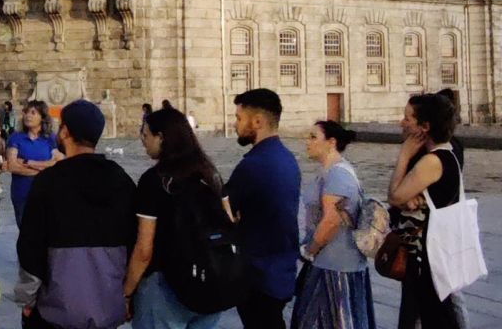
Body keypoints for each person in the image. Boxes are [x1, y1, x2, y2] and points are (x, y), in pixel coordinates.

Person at [16, 99, 136, 329]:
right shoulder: (120, 180)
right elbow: (135, 241)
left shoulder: (48, 181)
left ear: (65, 131)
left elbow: (31, 247)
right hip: (106, 308)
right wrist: (128, 295)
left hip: (56, 310)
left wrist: (27, 299)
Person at [124, 107, 227, 329]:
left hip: (165, 288)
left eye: (145, 135)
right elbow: (229, 221)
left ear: (161, 137)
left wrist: (127, 291)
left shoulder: (154, 181)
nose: (143, 141)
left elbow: (144, 249)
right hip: (211, 282)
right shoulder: (211, 174)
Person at [224, 89, 301, 329]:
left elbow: (223, 209)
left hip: (258, 275)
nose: (235, 124)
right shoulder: (287, 159)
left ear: (257, 121)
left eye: (239, 118)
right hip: (281, 270)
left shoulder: (254, 165)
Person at [388, 93, 465, 329]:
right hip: (430, 254)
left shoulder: (433, 161)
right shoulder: (444, 155)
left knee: (435, 316)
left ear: (425, 127)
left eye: (408, 118)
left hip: (429, 256)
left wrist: (404, 155)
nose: (402, 122)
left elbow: (394, 196)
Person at [291, 121, 376, 329]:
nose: (307, 142)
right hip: (329, 262)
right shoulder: (330, 172)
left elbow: (331, 221)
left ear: (331, 142)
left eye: (313, 137)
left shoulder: (338, 175)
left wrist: (310, 250)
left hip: (335, 265)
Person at [6, 100, 63, 227]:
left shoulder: (50, 138)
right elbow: (12, 166)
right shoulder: (15, 138)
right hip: (22, 193)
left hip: (45, 193)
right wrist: (43, 169)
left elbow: (59, 161)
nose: (28, 115)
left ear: (42, 117)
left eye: (33, 113)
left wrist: (28, 162)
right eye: (26, 112)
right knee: (25, 233)